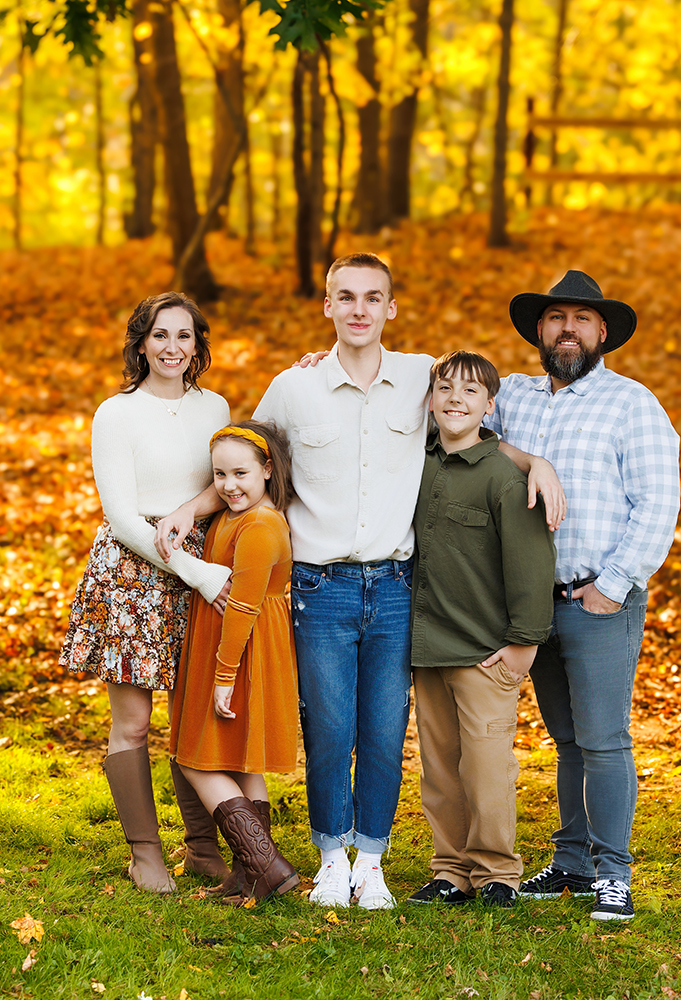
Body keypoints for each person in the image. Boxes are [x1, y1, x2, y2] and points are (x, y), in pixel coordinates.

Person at [157, 253, 564, 910]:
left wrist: (533, 459)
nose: (359, 309)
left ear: (391, 308)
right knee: (329, 727)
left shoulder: (417, 377)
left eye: (373, 298)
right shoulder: (295, 386)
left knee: (382, 728)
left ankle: (371, 861)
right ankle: (331, 859)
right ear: (327, 307)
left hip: (398, 586)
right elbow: (247, 463)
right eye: (344, 297)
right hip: (322, 589)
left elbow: (466, 431)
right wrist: (188, 509)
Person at [484, 270, 680, 921]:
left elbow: (658, 504)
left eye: (581, 319)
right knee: (566, 741)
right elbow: (441, 402)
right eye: (555, 318)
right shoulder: (511, 397)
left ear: (602, 333)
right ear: (539, 330)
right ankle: (571, 861)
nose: (567, 328)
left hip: (600, 601)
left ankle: (614, 874)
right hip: (533, 605)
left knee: (603, 740)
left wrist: (614, 585)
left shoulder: (633, 404)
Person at [57, 292, 235, 894]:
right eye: (160, 336)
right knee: (133, 723)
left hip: (199, 561)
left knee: (196, 714)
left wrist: (197, 533)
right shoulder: (116, 413)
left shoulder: (216, 407)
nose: (172, 348)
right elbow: (124, 518)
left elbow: (223, 483)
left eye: (184, 337)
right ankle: (144, 853)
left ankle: (203, 849)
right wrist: (196, 571)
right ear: (140, 344)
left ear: (197, 346)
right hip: (133, 575)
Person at [406, 351, 556, 909]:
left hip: (487, 651)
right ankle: (450, 870)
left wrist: (525, 641)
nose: (455, 400)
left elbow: (531, 561)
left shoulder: (502, 475)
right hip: (427, 647)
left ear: (490, 406)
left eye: (470, 392)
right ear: (429, 400)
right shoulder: (415, 465)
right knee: (440, 766)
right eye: (444, 389)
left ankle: (496, 872)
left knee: (488, 764)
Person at [170, 422, 302, 904]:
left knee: (196, 758)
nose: (229, 484)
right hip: (227, 641)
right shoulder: (232, 516)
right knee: (242, 759)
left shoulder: (262, 525)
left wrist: (224, 678)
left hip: (243, 649)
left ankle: (268, 866)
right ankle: (251, 874)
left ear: (268, 470)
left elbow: (244, 607)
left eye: (241, 473)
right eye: (220, 474)